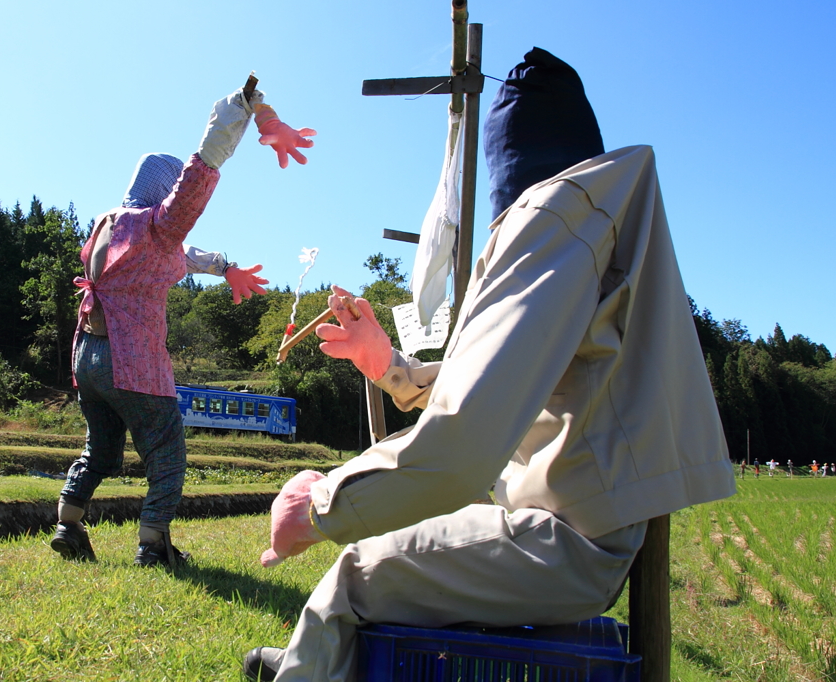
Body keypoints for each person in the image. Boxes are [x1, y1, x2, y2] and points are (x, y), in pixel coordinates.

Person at [244, 48, 736, 682]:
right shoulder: (596, 220)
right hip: (572, 525)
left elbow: (463, 445)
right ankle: (312, 659)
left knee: (356, 577)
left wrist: (316, 506)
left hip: (566, 541)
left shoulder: (555, 217)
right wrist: (392, 367)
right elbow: (500, 384)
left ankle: (308, 664)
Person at [50, 85, 314, 567]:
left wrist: (223, 266)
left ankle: (68, 522)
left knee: (101, 451)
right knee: (167, 451)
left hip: (86, 356)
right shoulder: (157, 225)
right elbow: (197, 177)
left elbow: (178, 257)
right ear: (164, 190)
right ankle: (153, 544)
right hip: (131, 360)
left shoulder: (109, 225)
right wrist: (236, 112)